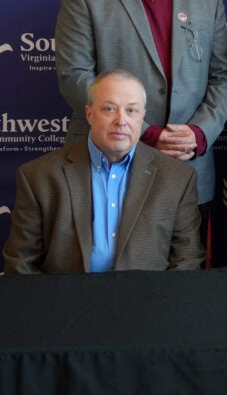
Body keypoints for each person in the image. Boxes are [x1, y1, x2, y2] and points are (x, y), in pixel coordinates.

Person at [54, 0, 227, 242]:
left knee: (184, 285)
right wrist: (142, 131)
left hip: (188, 166)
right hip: (109, 165)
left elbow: (223, 78)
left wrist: (198, 133)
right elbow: (75, 76)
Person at [3, 70, 205, 273]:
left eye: (131, 111)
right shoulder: (39, 176)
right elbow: (21, 263)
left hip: (149, 301)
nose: (121, 120)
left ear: (142, 116)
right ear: (89, 115)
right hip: (66, 302)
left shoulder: (178, 178)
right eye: (109, 109)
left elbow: (186, 262)